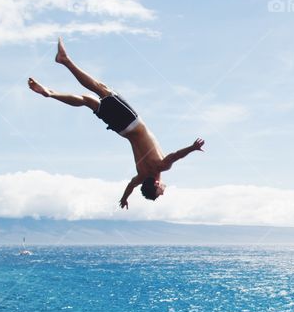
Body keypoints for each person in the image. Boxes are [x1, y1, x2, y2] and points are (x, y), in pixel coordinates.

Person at [28, 38, 204, 208]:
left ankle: (65, 61)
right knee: (87, 101)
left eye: (160, 192)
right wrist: (124, 199)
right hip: (121, 130)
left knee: (100, 88)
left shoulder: (161, 167)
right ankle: (51, 93)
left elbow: (175, 156)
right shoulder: (141, 176)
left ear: (156, 184)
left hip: (131, 121)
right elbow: (130, 186)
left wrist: (192, 148)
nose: (163, 191)